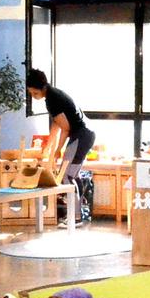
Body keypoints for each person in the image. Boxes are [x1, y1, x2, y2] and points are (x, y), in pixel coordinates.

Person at [27, 68, 96, 224]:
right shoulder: (53, 94)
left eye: (34, 93)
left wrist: (58, 150)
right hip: (85, 134)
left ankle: (76, 217)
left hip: (81, 135)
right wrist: (48, 148)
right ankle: (78, 214)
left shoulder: (52, 99)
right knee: (73, 174)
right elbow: (56, 125)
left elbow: (65, 128)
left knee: (66, 175)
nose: (33, 96)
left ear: (41, 88)